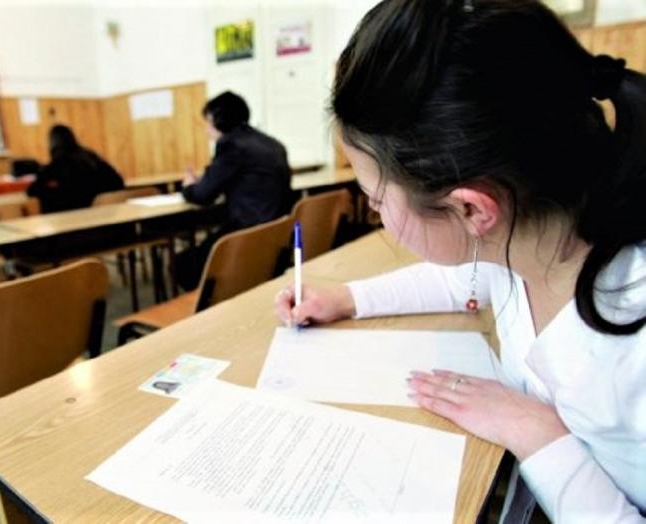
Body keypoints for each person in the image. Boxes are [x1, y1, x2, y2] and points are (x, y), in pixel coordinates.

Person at [274, 1, 645, 522]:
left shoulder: (629, 350)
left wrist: (536, 433)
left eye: (376, 200)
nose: (377, 214)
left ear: (471, 209)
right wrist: (346, 297)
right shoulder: (533, 238)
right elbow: (463, 281)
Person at [177, 91, 291, 290]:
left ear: (220, 121)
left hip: (247, 235)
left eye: (208, 122)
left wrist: (188, 186)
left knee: (183, 264)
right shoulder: (272, 143)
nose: (206, 129)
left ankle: (209, 306)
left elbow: (202, 196)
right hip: (277, 233)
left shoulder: (230, 145)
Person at [27, 125, 123, 213]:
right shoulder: (91, 157)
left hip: (70, 220)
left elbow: (32, 191)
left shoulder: (57, 164)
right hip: (106, 217)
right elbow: (118, 181)